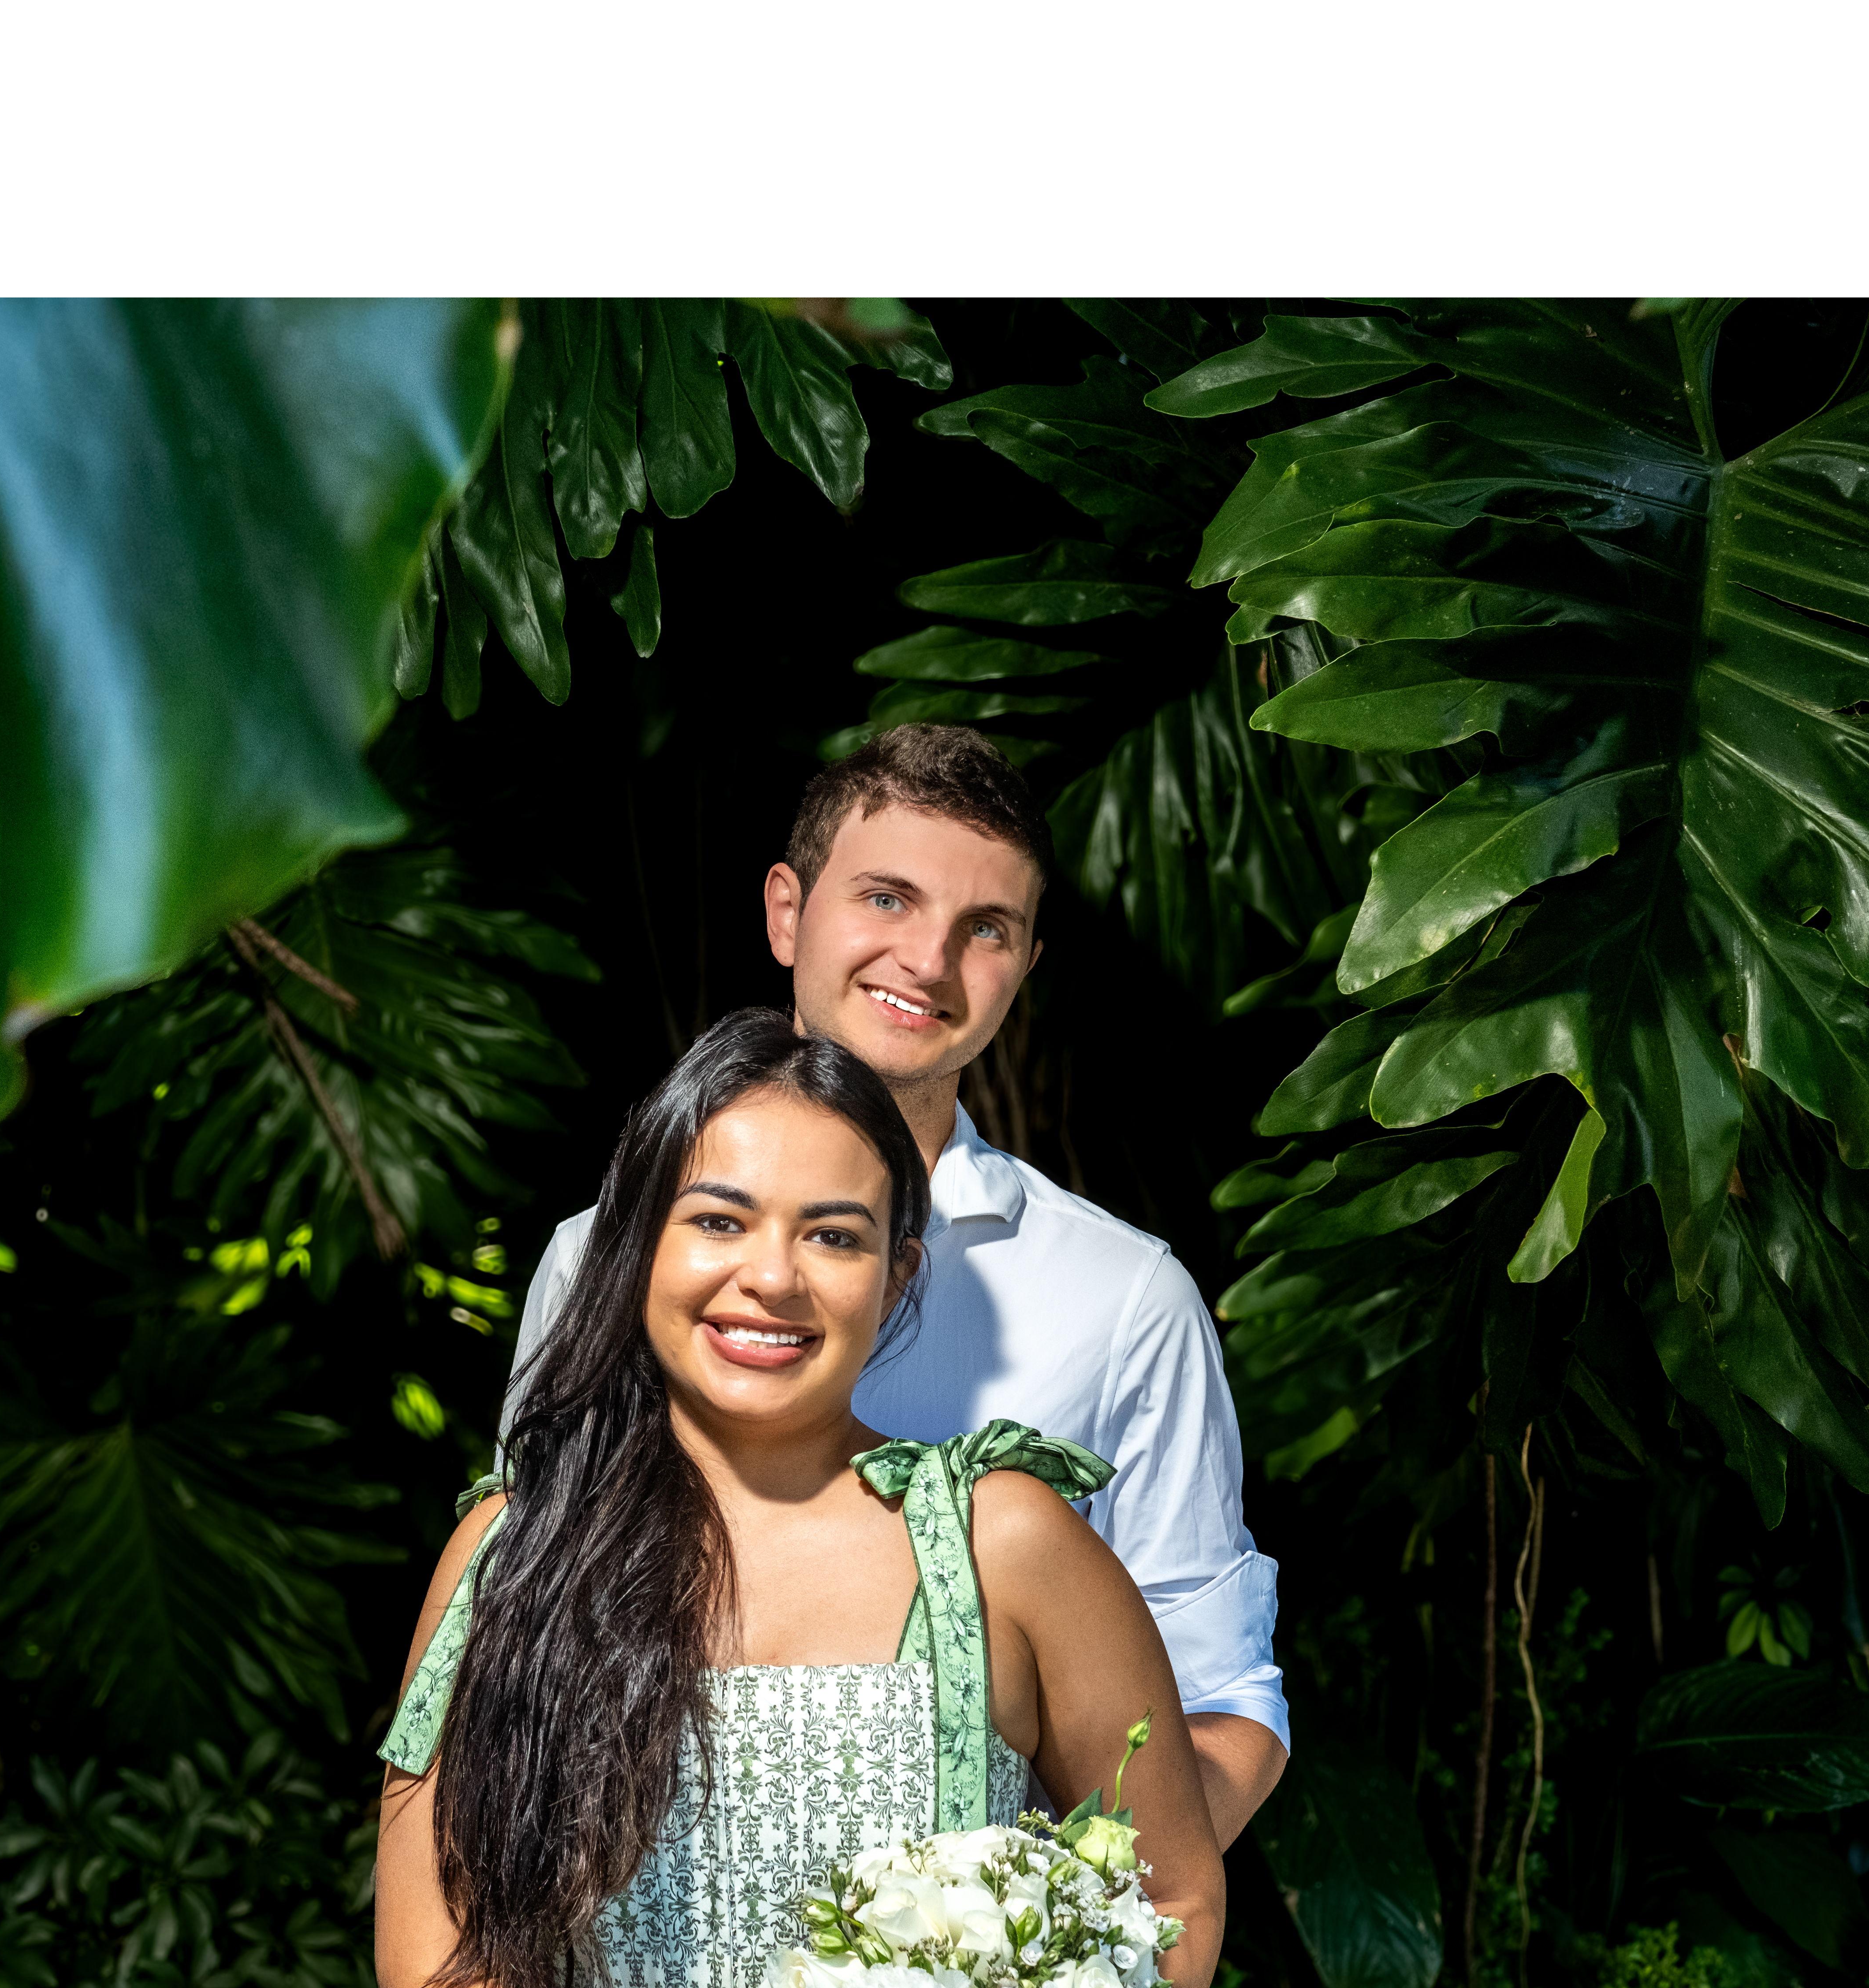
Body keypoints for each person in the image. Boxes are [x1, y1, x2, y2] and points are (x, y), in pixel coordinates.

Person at [375, 1009, 1225, 1988]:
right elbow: (431, 1976)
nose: (771, 1277)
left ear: (898, 1273)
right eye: (718, 1221)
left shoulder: (1003, 1545)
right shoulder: (512, 1551)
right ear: (636, 1242)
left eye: (834, 1236)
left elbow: (1176, 1897)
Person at [508, 724, 1289, 1849]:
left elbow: (1219, 1703)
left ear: (1025, 966)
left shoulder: (1124, 1300)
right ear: (787, 913)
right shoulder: (601, 1261)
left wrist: (1039, 1924)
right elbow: (520, 1639)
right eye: (887, 899)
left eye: (986, 929)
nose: (928, 961)